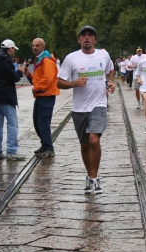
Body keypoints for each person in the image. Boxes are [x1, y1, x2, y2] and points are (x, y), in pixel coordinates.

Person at [57, 25, 115, 194]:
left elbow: (110, 70)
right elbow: (59, 82)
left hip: (99, 105)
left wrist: (109, 82)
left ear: (95, 39)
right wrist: (74, 83)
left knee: (94, 141)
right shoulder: (71, 58)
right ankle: (89, 176)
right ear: (79, 39)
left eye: (90, 35)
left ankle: (95, 179)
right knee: (84, 145)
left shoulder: (103, 55)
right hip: (79, 107)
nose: (87, 38)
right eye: (84, 35)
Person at [23, 38, 60, 158]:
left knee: (43, 123)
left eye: (37, 45)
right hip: (40, 95)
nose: (34, 47)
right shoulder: (39, 60)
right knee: (37, 122)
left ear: (43, 47)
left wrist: (36, 88)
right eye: (33, 45)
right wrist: (29, 75)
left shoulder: (46, 60)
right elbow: (38, 79)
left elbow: (47, 79)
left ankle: (49, 148)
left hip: (46, 95)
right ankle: (44, 145)